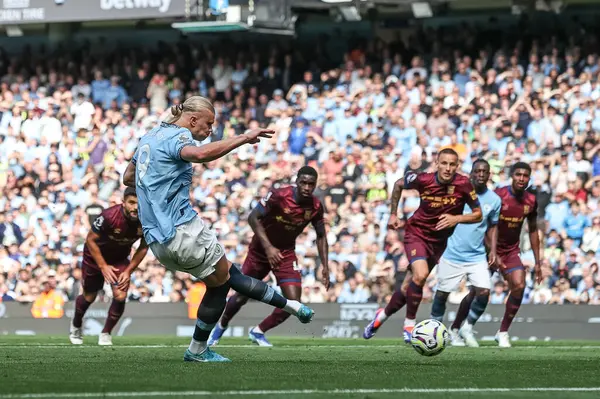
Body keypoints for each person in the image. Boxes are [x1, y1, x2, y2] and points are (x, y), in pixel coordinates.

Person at [122, 96, 314, 362]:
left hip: (157, 241)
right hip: (182, 230)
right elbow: (199, 154)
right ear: (192, 120)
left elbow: (127, 178)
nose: (210, 130)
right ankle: (199, 349)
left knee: (227, 275)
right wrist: (245, 138)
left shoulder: (150, 136)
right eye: (208, 124)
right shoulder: (178, 137)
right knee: (224, 283)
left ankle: (293, 306)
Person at [363, 148, 482, 342]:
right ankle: (410, 325)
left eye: (452, 164)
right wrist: (394, 214)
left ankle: (381, 316)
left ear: (457, 166)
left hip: (439, 242)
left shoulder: (463, 184)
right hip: (416, 234)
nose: (448, 168)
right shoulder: (424, 179)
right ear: (437, 163)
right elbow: (398, 184)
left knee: (408, 287)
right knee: (420, 276)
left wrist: (456, 218)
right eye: (444, 163)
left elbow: (478, 214)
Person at [208, 166, 330, 347]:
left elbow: (321, 236)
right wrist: (269, 247)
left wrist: (325, 266)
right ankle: (220, 327)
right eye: (303, 182)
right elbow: (253, 217)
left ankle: (258, 332)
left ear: (315, 185)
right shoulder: (279, 196)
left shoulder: (315, 206)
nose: (306, 187)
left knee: (294, 303)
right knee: (241, 295)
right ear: (296, 182)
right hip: (260, 251)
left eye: (310, 184)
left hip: (286, 254)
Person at [429, 159, 501, 347]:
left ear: (489, 174)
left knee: (484, 292)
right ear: (471, 173)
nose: (480, 175)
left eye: (484, 172)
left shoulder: (494, 200)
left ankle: (465, 327)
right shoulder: (459, 193)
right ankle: (435, 330)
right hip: (451, 252)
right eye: (477, 171)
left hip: (476, 256)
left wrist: (493, 250)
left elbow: (493, 227)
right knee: (442, 294)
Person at [70, 187, 148, 346]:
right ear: (123, 202)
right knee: (89, 297)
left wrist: (128, 271)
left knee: (120, 295)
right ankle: (76, 324)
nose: (135, 207)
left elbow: (144, 246)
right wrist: (103, 266)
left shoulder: (147, 219)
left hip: (119, 259)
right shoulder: (108, 216)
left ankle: (106, 333)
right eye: (131, 203)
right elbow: (90, 240)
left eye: (138, 203)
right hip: (94, 257)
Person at [491, 162, 542, 348]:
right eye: (518, 174)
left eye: (525, 176)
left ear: (529, 178)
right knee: (478, 291)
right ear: (512, 175)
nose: (521, 178)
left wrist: (538, 262)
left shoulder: (531, 200)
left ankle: (503, 332)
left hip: (511, 251)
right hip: (488, 248)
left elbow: (533, 230)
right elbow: (488, 225)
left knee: (519, 285)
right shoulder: (498, 195)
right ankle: (457, 329)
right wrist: (492, 251)